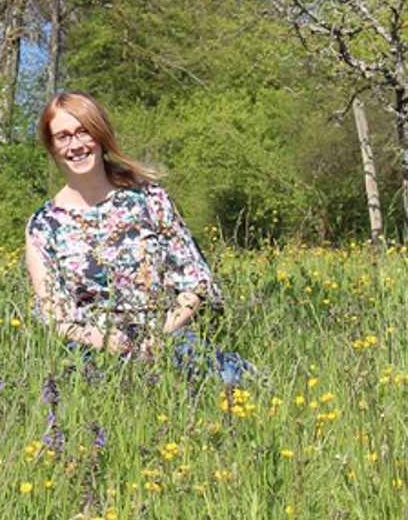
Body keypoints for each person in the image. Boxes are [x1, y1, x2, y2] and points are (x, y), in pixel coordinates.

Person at [24, 91, 254, 386]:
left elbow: (196, 283)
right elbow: (54, 314)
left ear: (101, 135)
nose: (76, 145)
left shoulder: (150, 199)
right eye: (63, 136)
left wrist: (160, 335)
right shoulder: (43, 226)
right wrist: (102, 340)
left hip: (168, 338)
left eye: (84, 132)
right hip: (91, 349)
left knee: (234, 382)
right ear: (52, 146)